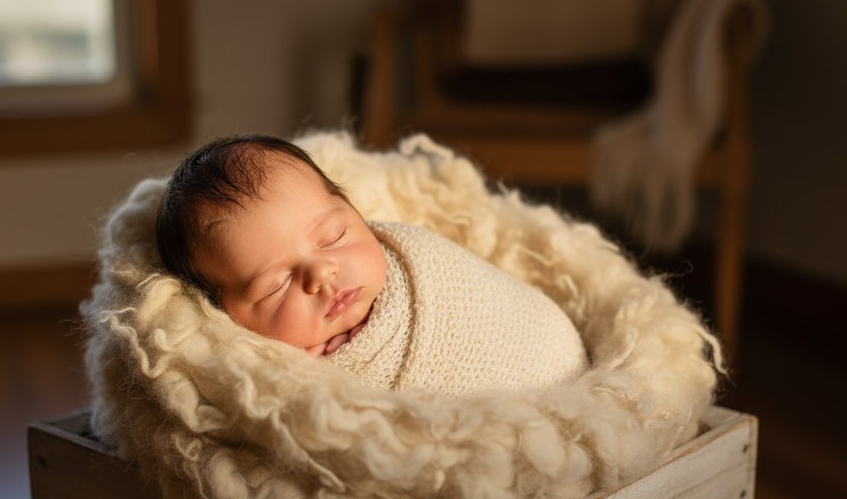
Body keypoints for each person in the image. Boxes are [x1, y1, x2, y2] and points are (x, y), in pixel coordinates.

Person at [156, 134, 587, 396]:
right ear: (223, 314)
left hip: (551, 352)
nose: (321, 274)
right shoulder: (264, 373)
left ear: (356, 213)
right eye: (275, 285)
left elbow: (492, 299)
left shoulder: (413, 259)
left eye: (333, 237)